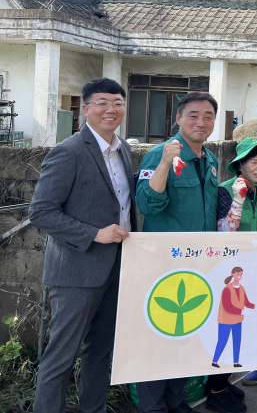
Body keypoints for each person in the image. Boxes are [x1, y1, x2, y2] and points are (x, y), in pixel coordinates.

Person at [29, 78, 136, 413]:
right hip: (76, 271)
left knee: (101, 352)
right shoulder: (69, 151)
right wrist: (94, 234)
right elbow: (41, 212)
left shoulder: (124, 149)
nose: (111, 109)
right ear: (86, 109)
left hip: (117, 266)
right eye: (102, 102)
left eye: (117, 103)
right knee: (61, 357)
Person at [136, 92, 245, 413]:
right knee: (159, 335)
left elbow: (209, 214)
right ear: (179, 119)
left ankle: (176, 399)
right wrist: (165, 163)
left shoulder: (208, 160)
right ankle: (154, 407)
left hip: (199, 263)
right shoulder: (160, 155)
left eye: (208, 116)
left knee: (186, 333)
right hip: (163, 264)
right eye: (193, 115)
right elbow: (147, 204)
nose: (201, 122)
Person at [217, 138, 257, 232]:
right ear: (239, 166)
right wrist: (237, 202)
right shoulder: (224, 190)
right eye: (254, 162)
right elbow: (224, 232)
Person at [213, 268, 255, 369]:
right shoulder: (227, 289)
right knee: (222, 341)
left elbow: (246, 302)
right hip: (226, 321)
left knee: (237, 341)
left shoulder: (241, 288)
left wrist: (255, 306)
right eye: (238, 273)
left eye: (241, 274)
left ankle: (236, 362)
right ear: (233, 274)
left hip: (237, 320)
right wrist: (242, 311)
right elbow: (227, 307)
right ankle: (214, 361)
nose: (240, 275)